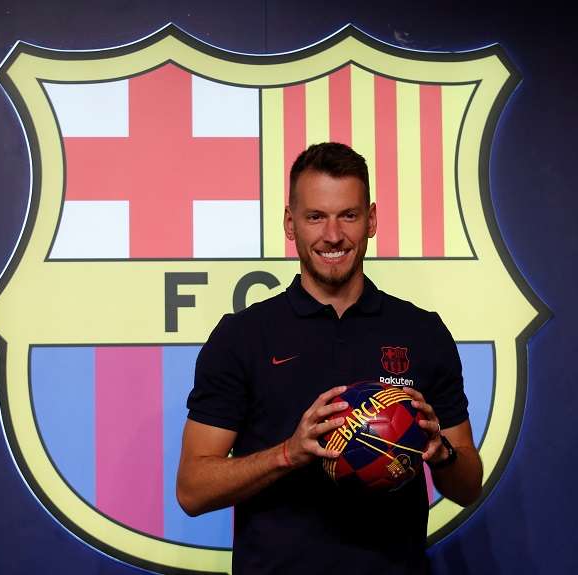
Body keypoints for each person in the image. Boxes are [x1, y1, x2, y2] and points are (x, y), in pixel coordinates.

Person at [177, 142, 482, 574]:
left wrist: (442, 453)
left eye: (349, 216)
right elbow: (192, 490)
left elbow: (469, 487)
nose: (333, 235)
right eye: (316, 217)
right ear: (290, 223)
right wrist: (287, 453)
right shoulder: (242, 337)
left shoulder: (422, 332)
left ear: (371, 220)